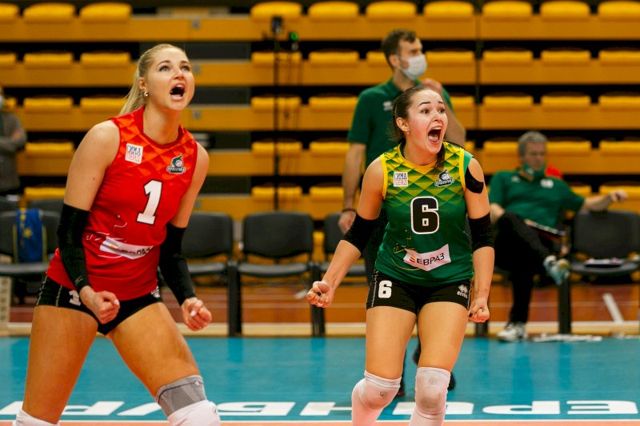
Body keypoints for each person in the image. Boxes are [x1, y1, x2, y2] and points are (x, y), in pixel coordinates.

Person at [14, 44, 220, 425]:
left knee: (199, 414)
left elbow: (171, 250)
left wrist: (188, 298)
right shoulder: (107, 138)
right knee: (36, 421)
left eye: (186, 67)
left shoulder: (195, 157)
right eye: (165, 68)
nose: (179, 74)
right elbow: (68, 233)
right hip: (75, 289)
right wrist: (87, 291)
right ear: (144, 84)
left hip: (136, 294)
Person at [308, 85, 493, 425]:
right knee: (380, 390)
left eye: (440, 109)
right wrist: (329, 282)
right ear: (403, 124)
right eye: (425, 110)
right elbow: (359, 233)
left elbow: (483, 236)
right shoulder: (382, 169)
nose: (437, 116)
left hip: (449, 279)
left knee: (432, 390)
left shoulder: (466, 166)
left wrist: (481, 295)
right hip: (396, 276)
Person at [340, 28, 466, 395]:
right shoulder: (371, 99)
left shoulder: (434, 96)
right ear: (395, 59)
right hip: (385, 206)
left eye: (421, 49)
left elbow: (460, 141)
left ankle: (432, 358)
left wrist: (442, 101)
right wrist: (348, 203)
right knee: (384, 283)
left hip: (434, 206)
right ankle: (389, 373)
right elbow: (355, 152)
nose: (420, 56)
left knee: (437, 280)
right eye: (413, 50)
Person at [491, 131, 628, 342]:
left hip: (541, 244)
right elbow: (493, 209)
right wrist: (521, 225)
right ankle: (549, 263)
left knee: (524, 257)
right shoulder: (504, 178)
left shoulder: (556, 185)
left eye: (542, 154)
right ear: (521, 157)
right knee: (510, 219)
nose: (539, 158)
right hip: (506, 244)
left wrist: (609, 197)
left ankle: (517, 325)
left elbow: (587, 204)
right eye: (533, 154)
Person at [0, 84, 27, 196]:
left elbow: (20, 142)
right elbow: (12, 144)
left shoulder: (12, 119)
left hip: (9, 184)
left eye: (0, 94)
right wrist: (9, 142)